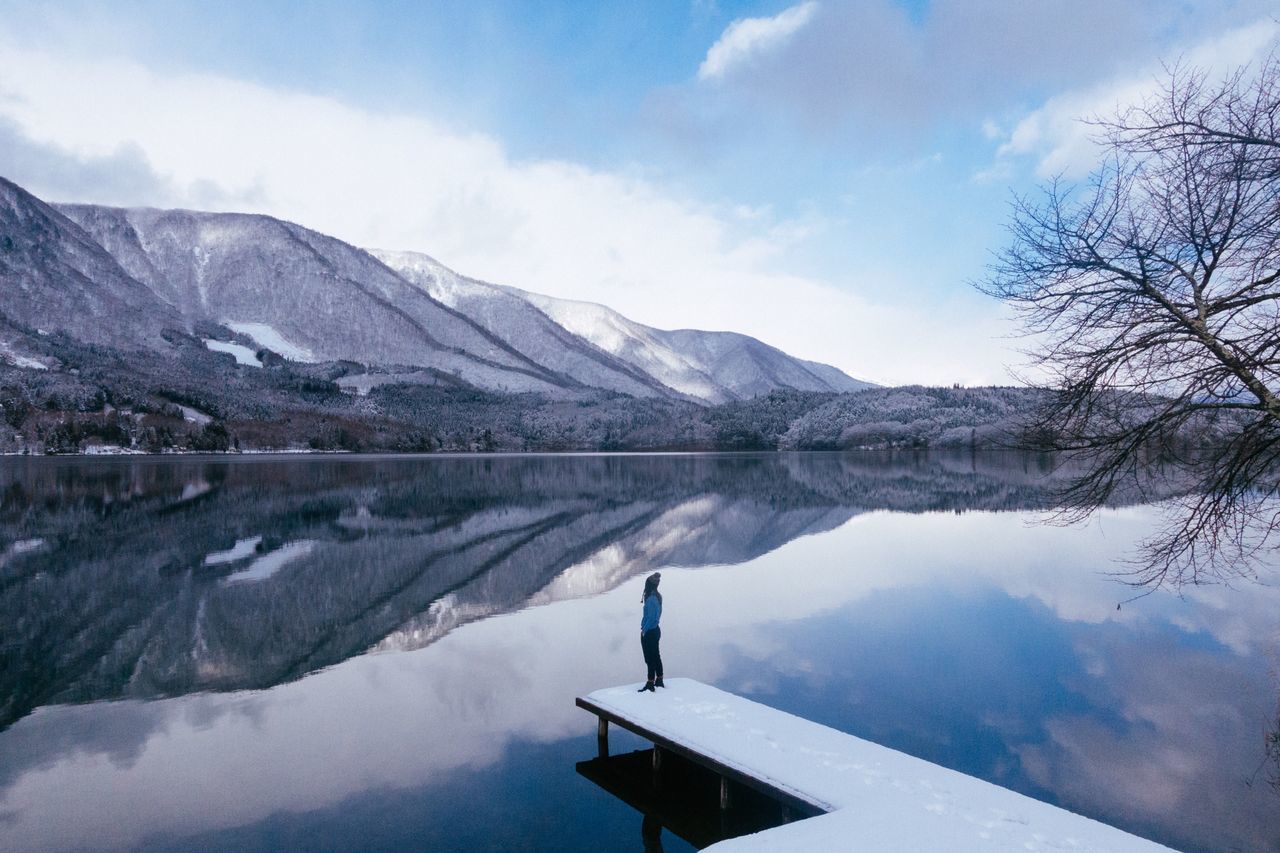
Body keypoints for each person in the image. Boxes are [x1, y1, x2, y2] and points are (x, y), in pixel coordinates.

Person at [638, 572, 663, 692]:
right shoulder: (657, 596)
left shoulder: (652, 598)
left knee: (649, 658)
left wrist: (644, 630)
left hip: (650, 632)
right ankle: (659, 679)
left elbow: (652, 618)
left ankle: (650, 683)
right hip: (655, 630)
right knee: (656, 656)